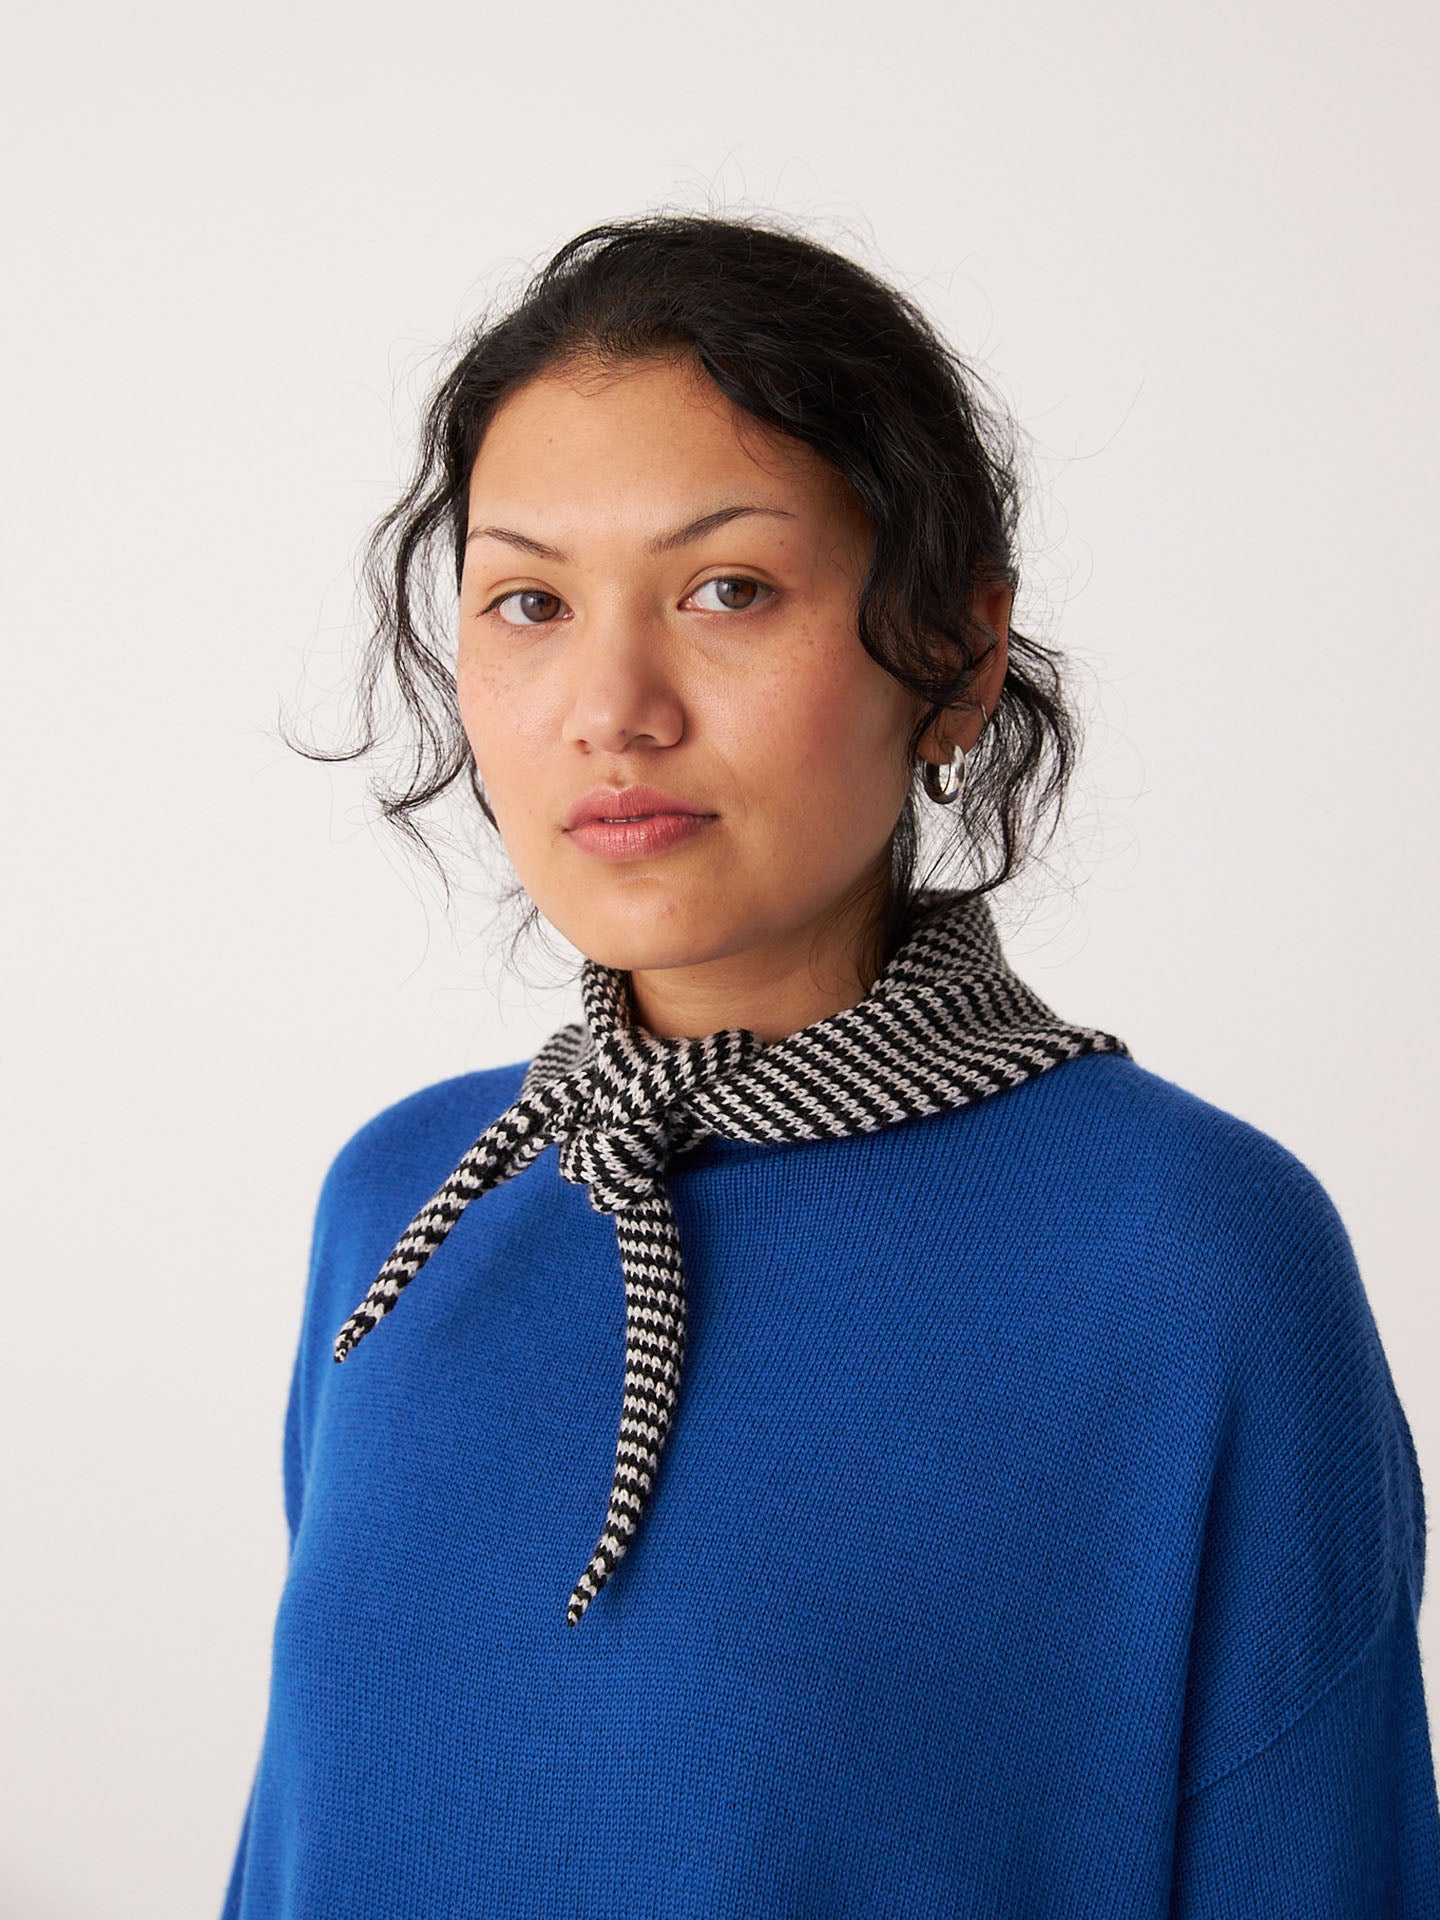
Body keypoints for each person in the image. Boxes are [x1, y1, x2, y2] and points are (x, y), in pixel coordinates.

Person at [220, 211, 1440, 1916]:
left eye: (729, 589)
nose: (612, 704)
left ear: (954, 653)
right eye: (528, 602)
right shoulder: (405, 1203)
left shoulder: (1189, 1256)